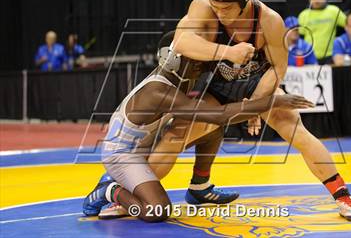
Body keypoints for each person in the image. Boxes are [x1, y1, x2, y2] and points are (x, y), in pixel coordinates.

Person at [173, 0, 351, 222]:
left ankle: (343, 196)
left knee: (294, 127)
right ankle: (120, 187)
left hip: (256, 82)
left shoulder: (269, 21)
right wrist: (226, 52)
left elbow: (277, 69)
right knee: (176, 135)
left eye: (227, 8)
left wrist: (255, 105)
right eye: (216, 6)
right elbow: (181, 41)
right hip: (215, 84)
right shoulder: (203, 8)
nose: (221, 13)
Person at [82, 31, 314, 221]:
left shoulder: (180, 75)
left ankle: (199, 185)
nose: (202, 64)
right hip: (122, 155)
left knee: (209, 128)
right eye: (194, 59)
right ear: (173, 59)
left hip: (144, 142)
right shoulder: (158, 92)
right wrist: (270, 102)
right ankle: (110, 190)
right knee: (157, 210)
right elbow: (219, 115)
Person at [298, 0, 347, 64]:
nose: (317, 1)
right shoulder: (303, 14)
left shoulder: (334, 10)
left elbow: (349, 25)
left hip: (330, 55)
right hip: (309, 56)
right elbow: (300, 36)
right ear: (309, 0)